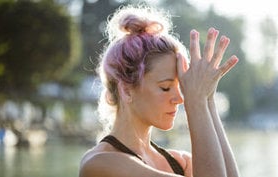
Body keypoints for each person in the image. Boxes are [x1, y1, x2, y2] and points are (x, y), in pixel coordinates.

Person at [79, 4, 240, 177]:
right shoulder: (100, 163)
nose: (180, 98)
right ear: (126, 90)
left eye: (181, 88)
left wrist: (208, 98)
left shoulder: (181, 162)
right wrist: (196, 102)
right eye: (166, 87)